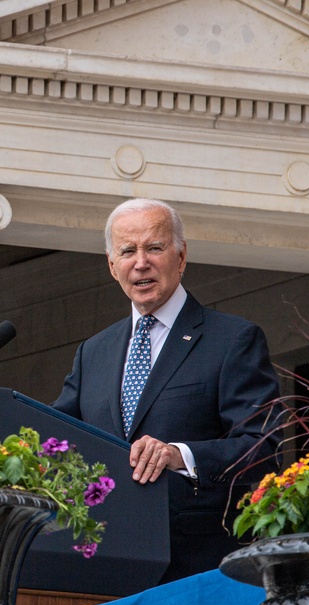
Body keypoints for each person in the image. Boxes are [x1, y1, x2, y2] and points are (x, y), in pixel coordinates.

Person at [52, 198, 280, 582]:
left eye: (154, 248)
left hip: (197, 566)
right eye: (127, 251)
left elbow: (264, 446)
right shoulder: (94, 352)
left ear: (181, 256)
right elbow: (54, 436)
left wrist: (179, 454)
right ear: (112, 265)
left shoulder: (233, 339)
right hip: (103, 564)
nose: (141, 262)